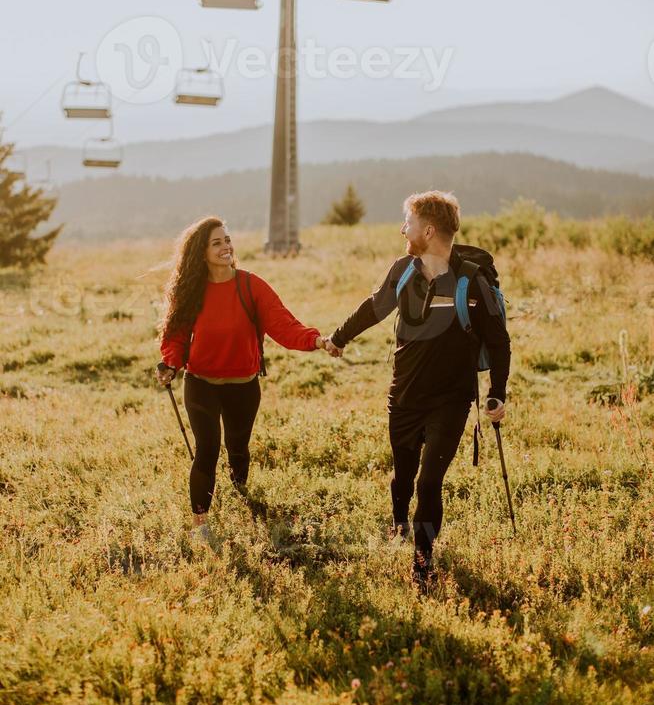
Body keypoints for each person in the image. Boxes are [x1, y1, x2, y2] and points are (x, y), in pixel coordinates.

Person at [324, 191, 511, 593]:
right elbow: (375, 307)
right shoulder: (403, 270)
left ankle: (422, 568)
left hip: (452, 400)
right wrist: (340, 337)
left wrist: (497, 392)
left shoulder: (471, 281)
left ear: (428, 230)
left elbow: (499, 341)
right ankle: (398, 521)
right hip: (404, 396)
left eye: (407, 223)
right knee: (404, 477)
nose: (401, 230)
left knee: (429, 483)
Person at [156, 215, 329, 545]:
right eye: (217, 242)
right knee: (206, 450)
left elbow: (285, 326)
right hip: (201, 383)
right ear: (200, 252)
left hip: (243, 386)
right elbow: (175, 338)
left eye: (227, 240)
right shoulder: (191, 292)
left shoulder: (251, 286)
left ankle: (242, 494)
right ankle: (200, 525)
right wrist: (170, 365)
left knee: (238, 448)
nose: (226, 247)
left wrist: (316, 340)